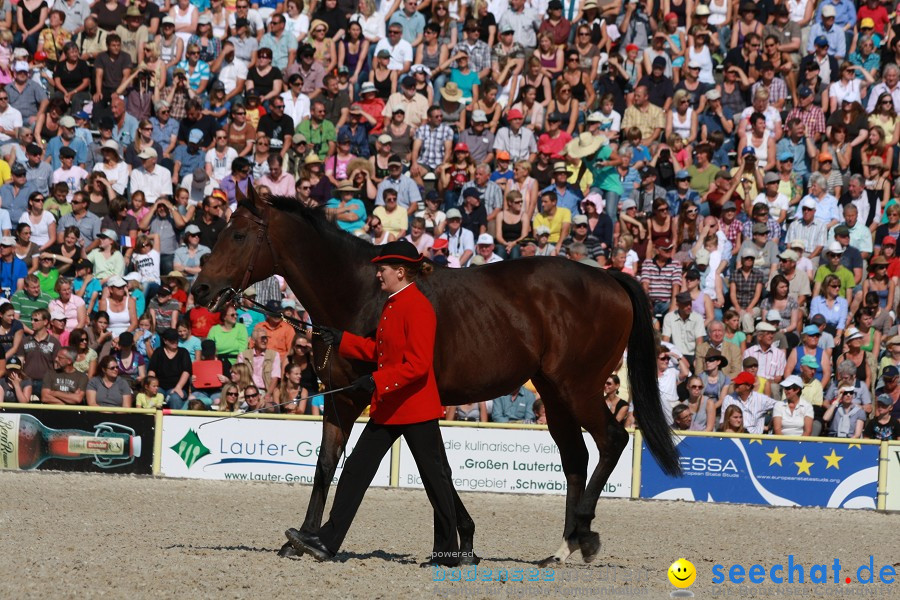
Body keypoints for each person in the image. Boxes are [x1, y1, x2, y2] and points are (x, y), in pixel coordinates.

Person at [287, 240, 465, 567]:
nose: (377, 273)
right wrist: (340, 339)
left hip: (415, 408)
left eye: (382, 268)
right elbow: (379, 352)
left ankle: (448, 553)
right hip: (389, 406)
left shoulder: (419, 306)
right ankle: (326, 542)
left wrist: (376, 381)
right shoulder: (392, 303)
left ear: (400, 272)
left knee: (435, 480)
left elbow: (418, 364)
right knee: (355, 470)